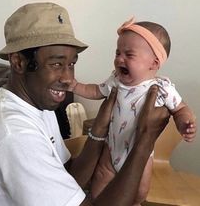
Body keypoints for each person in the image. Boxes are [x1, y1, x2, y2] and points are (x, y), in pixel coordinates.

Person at [0, 3, 170, 206]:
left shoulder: (38, 106)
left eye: (71, 64)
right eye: (56, 64)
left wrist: (100, 125)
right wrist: (145, 141)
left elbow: (70, 175)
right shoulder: (13, 134)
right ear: (19, 62)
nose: (67, 78)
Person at [69, 17, 197, 205]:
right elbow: (96, 91)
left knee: (140, 192)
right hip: (112, 148)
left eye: (129, 55)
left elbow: (180, 108)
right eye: (117, 52)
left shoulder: (161, 88)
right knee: (100, 181)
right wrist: (75, 86)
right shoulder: (115, 81)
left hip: (140, 155)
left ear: (153, 64)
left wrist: (185, 123)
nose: (119, 59)